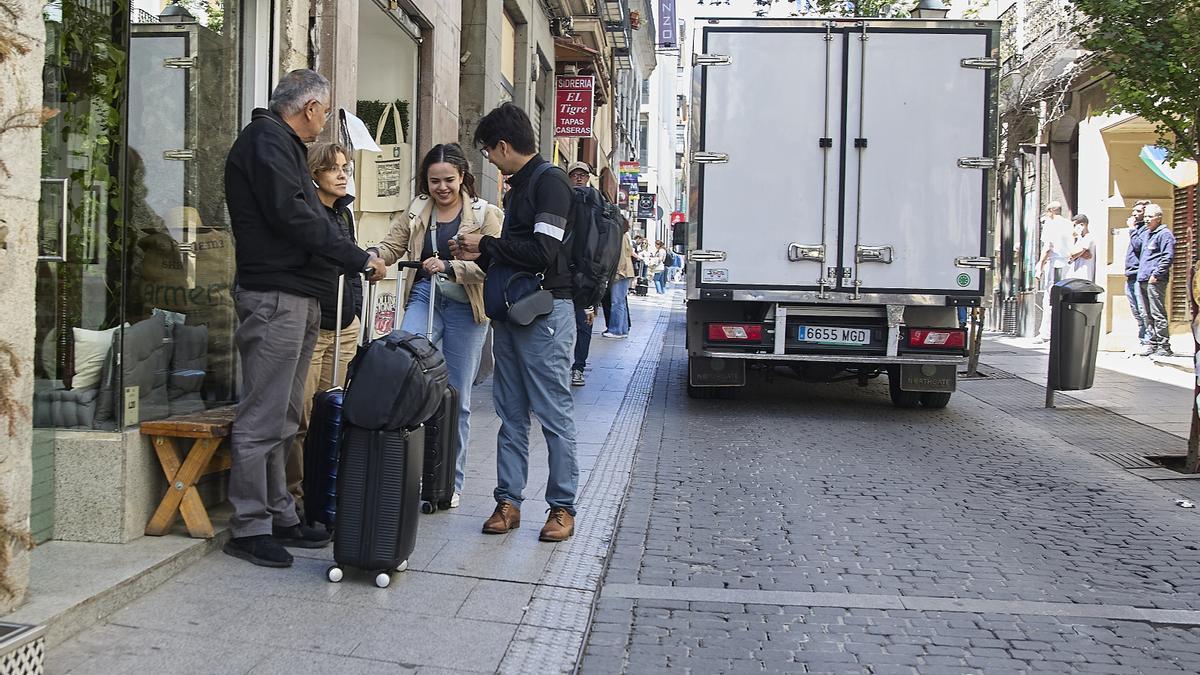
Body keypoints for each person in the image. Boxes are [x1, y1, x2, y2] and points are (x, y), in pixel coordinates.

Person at [223, 69, 387, 568]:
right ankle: (250, 526)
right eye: (324, 110)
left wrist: (349, 252)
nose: (323, 121)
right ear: (310, 108)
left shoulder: (282, 145)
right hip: (274, 295)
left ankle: (278, 512)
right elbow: (293, 217)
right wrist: (356, 258)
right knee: (264, 414)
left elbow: (310, 217)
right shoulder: (265, 142)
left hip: (296, 295)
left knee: (286, 414)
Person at [450, 102, 579, 543]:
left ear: (504, 146)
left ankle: (562, 507)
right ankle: (509, 501)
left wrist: (488, 242)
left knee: (552, 413)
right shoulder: (520, 186)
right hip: (510, 311)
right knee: (510, 412)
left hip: (544, 314)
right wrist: (482, 250)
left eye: (488, 150)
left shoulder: (551, 184)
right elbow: (517, 252)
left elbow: (543, 252)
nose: (488, 159)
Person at [368, 143, 503, 505]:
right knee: (405, 366)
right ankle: (403, 468)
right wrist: (374, 255)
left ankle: (449, 482)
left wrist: (450, 266)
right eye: (433, 181)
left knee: (456, 393)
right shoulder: (418, 209)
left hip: (467, 305)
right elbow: (392, 244)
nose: (441, 188)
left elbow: (496, 265)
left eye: (448, 180)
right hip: (427, 296)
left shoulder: (485, 214)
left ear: (462, 178)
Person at [285, 142, 363, 515]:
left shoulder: (344, 214)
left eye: (346, 167)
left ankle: (325, 491)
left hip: (345, 327)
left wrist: (356, 312)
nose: (343, 174)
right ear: (314, 174)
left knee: (332, 413)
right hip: (314, 327)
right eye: (334, 168)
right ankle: (296, 498)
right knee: (300, 417)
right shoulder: (309, 213)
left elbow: (352, 264)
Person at [567, 161, 596, 387]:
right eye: (575, 175)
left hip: (585, 278)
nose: (579, 178)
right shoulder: (561, 198)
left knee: (584, 324)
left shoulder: (596, 203)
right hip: (560, 275)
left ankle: (578, 367)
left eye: (582, 175)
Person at [1137, 203, 1176, 357]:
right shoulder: (1147, 234)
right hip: (1143, 279)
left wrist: (1157, 274)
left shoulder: (1164, 234)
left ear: (1159, 218)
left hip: (1155, 280)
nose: (1146, 220)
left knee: (1157, 312)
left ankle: (1164, 345)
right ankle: (1152, 343)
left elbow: (1167, 257)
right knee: (1147, 314)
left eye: (1150, 216)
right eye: (1145, 216)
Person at [1034, 201, 1073, 341]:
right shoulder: (1069, 224)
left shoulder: (1050, 224)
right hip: (1067, 265)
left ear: (1051, 211)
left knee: (1050, 298)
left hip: (1055, 264)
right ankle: (1060, 331)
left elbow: (1047, 247)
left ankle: (1046, 333)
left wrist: (1040, 264)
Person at [1124, 200, 1151, 350]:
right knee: (1135, 309)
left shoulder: (1145, 230)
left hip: (1139, 275)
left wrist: (1131, 229)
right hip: (1130, 274)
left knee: (1143, 310)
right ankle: (1142, 339)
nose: (1134, 214)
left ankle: (1148, 341)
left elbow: (1139, 246)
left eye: (1139, 211)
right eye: (1134, 211)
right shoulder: (1137, 229)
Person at [602, 220, 635, 339]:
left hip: (621, 272)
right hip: (626, 271)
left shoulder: (619, 237)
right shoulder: (625, 236)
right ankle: (623, 329)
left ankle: (616, 330)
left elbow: (620, 257)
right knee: (621, 302)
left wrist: (617, 273)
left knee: (616, 302)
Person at [1067, 214, 1096, 282]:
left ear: (1082, 225)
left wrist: (1071, 252)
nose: (1073, 228)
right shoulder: (1080, 239)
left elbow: (1073, 254)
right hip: (1076, 275)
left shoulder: (1088, 237)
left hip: (1084, 276)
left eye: (1074, 225)